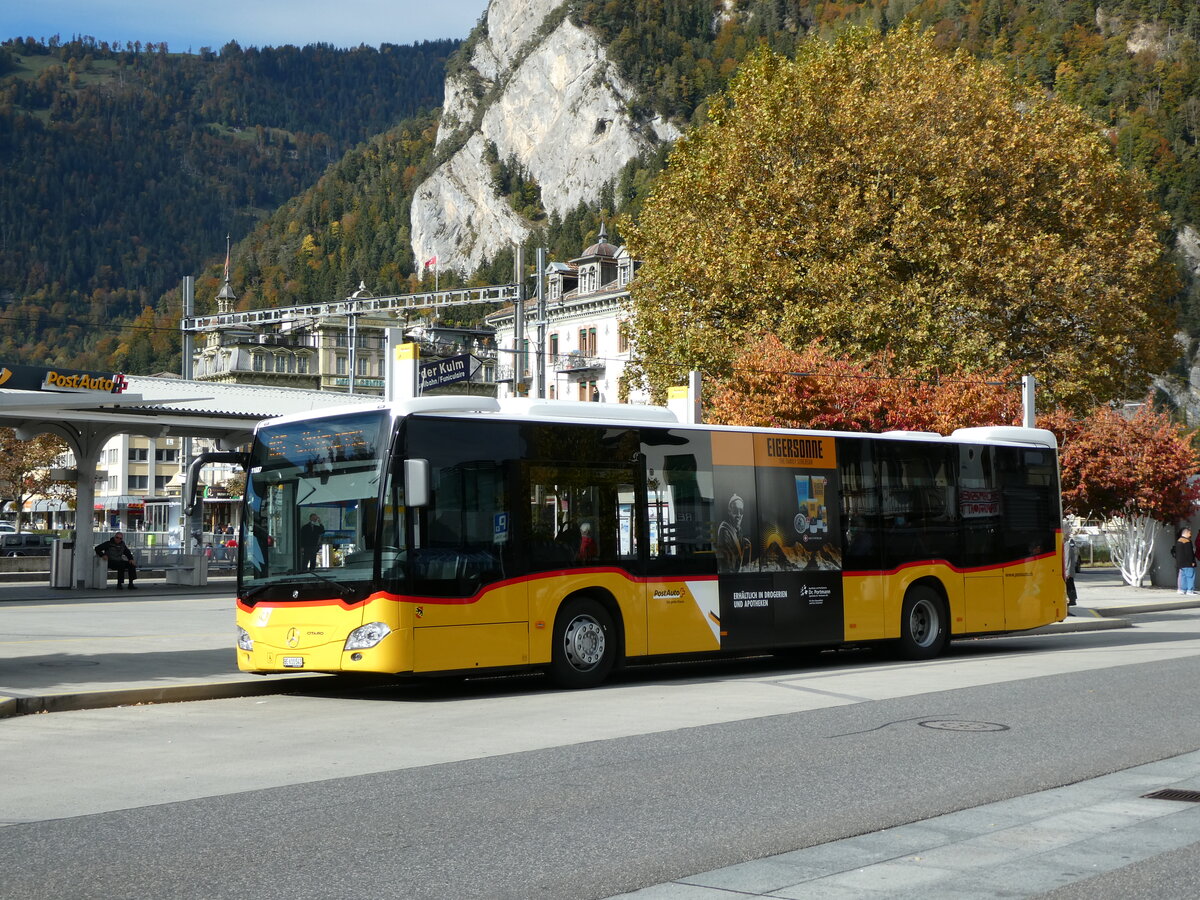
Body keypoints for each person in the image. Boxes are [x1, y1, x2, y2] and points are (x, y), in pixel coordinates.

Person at [715, 493, 752, 573]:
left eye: (741, 511)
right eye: (735, 511)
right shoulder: (725, 530)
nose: (739, 515)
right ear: (729, 511)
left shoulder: (738, 528)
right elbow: (729, 564)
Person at [1172, 527, 1196, 595]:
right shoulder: (1187, 541)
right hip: (1188, 563)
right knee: (1190, 576)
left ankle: (1182, 589)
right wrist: (1192, 562)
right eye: (1190, 533)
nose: (1190, 535)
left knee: (1182, 576)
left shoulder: (1179, 540)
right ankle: (1190, 590)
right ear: (1186, 533)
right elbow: (1189, 553)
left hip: (1180, 563)